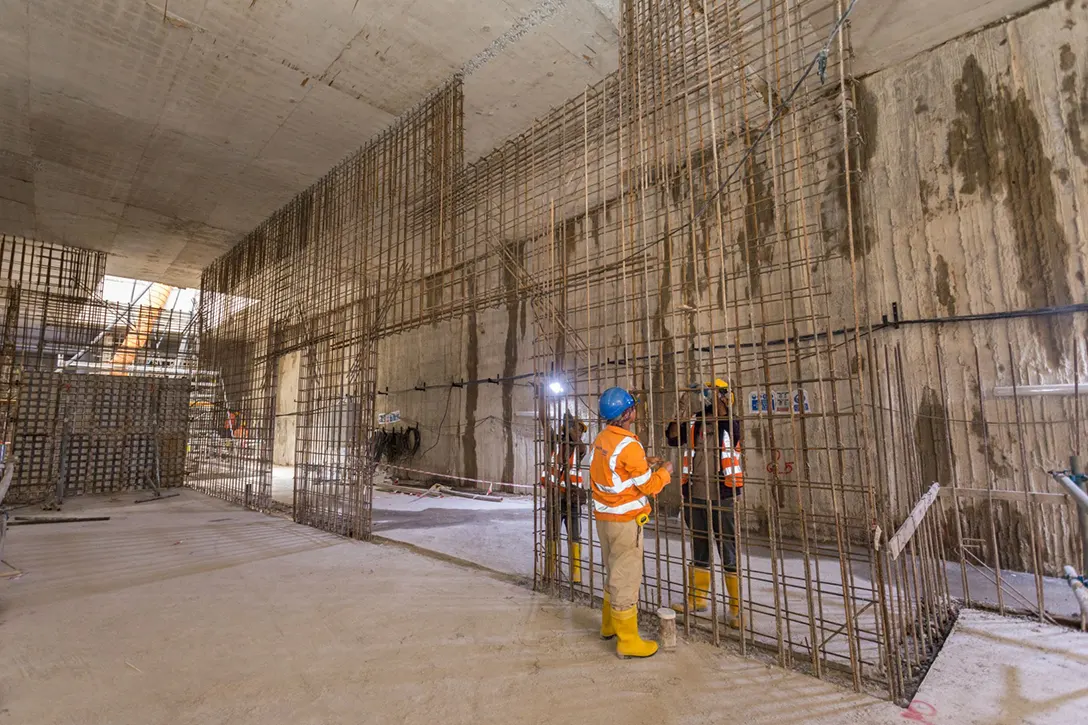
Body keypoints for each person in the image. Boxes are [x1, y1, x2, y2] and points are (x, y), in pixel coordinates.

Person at [590, 386, 673, 658]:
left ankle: (608, 626)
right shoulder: (630, 445)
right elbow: (648, 485)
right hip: (625, 521)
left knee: (613, 570)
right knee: (626, 577)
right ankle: (628, 640)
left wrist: (642, 462)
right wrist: (664, 472)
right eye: (633, 406)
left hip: (605, 519)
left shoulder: (602, 438)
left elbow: (615, 468)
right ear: (628, 413)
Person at [665, 379, 744, 627]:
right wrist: (683, 403)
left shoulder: (731, 423)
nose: (709, 397)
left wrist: (719, 398)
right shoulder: (696, 420)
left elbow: (728, 423)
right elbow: (673, 437)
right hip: (695, 493)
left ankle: (735, 608)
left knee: (727, 549)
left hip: (723, 494)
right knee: (699, 547)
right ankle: (697, 599)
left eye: (717, 393)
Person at [540, 413, 588, 583]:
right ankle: (550, 572)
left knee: (574, 535)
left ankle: (576, 576)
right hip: (554, 498)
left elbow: (581, 446)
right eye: (577, 429)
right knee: (552, 535)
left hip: (572, 500)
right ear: (566, 429)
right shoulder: (555, 442)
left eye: (581, 430)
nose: (580, 433)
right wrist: (542, 397)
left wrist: (572, 431)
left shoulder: (580, 448)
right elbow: (544, 422)